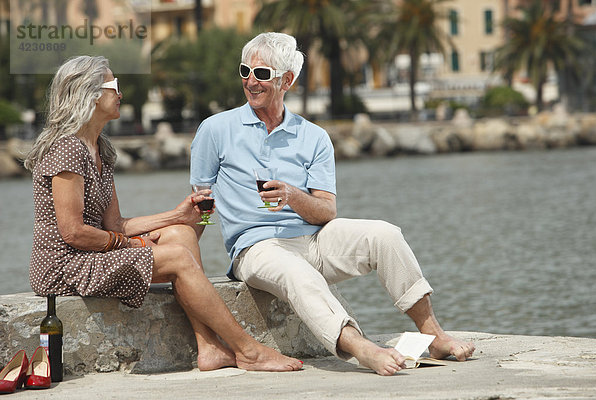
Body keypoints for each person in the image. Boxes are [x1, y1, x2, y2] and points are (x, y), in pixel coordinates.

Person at [190, 32, 475, 376]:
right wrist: (192, 265)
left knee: (384, 234)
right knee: (297, 272)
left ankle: (433, 333)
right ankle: (362, 348)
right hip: (255, 247)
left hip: (314, 239)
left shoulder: (313, 136)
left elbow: (327, 212)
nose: (250, 81)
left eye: (262, 74)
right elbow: (201, 205)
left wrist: (292, 196)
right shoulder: (215, 130)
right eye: (244, 71)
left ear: (287, 81)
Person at [23, 55, 302, 373]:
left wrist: (177, 215)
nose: (121, 93)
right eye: (114, 86)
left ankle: (208, 347)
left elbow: (117, 224)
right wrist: (134, 246)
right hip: (64, 265)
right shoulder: (67, 149)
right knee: (179, 259)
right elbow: (73, 232)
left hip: (91, 253)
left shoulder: (101, 149)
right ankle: (249, 350)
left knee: (181, 234)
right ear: (89, 94)